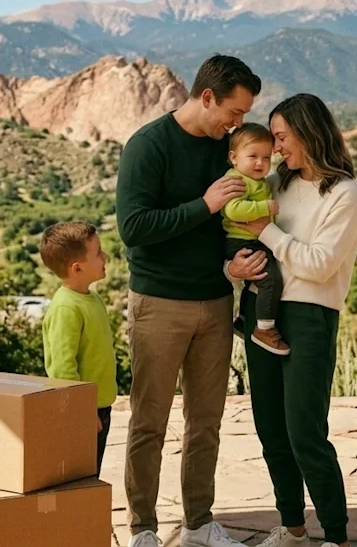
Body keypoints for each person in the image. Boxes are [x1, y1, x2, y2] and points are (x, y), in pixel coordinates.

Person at [116, 54, 266, 547]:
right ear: (207, 97)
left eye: (244, 116)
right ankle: (143, 529)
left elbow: (233, 225)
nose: (238, 123)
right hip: (158, 304)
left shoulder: (228, 149)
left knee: (206, 423)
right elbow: (134, 230)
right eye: (234, 112)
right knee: (149, 422)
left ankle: (199, 525)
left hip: (216, 303)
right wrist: (203, 205)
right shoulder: (148, 146)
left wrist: (234, 267)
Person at [229, 94, 357, 547]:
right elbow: (239, 230)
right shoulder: (276, 184)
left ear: (309, 133)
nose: (276, 146)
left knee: (305, 430)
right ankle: (291, 528)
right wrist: (234, 269)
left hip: (310, 317)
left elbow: (319, 264)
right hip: (259, 311)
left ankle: (336, 536)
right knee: (271, 429)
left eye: (283, 137)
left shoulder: (344, 193)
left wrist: (266, 231)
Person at [39, 221, 117, 472]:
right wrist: (81, 411)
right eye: (98, 253)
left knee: (91, 474)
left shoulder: (91, 298)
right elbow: (62, 369)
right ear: (77, 268)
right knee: (80, 479)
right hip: (83, 411)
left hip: (98, 407)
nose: (105, 256)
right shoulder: (66, 309)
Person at [221, 122, 288, 356]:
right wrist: (264, 207)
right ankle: (265, 329)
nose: (260, 163)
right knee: (270, 280)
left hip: (250, 239)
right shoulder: (237, 180)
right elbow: (233, 210)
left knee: (256, 281)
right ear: (234, 157)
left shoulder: (256, 180)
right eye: (253, 156)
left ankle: (242, 320)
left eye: (266, 158)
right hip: (241, 240)